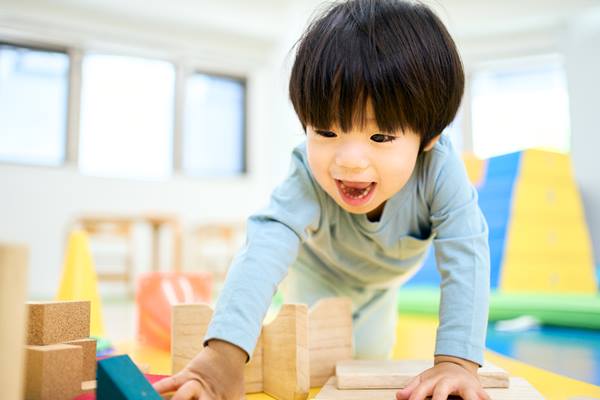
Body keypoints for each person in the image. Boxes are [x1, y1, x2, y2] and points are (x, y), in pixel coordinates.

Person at [154, 1, 490, 399]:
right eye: (326, 132)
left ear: (428, 137)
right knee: (315, 366)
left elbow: (466, 251)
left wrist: (457, 361)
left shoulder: (440, 168)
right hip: (319, 271)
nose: (348, 161)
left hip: (382, 282)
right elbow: (267, 244)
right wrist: (222, 357)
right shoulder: (306, 174)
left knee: (369, 364)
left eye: (379, 138)